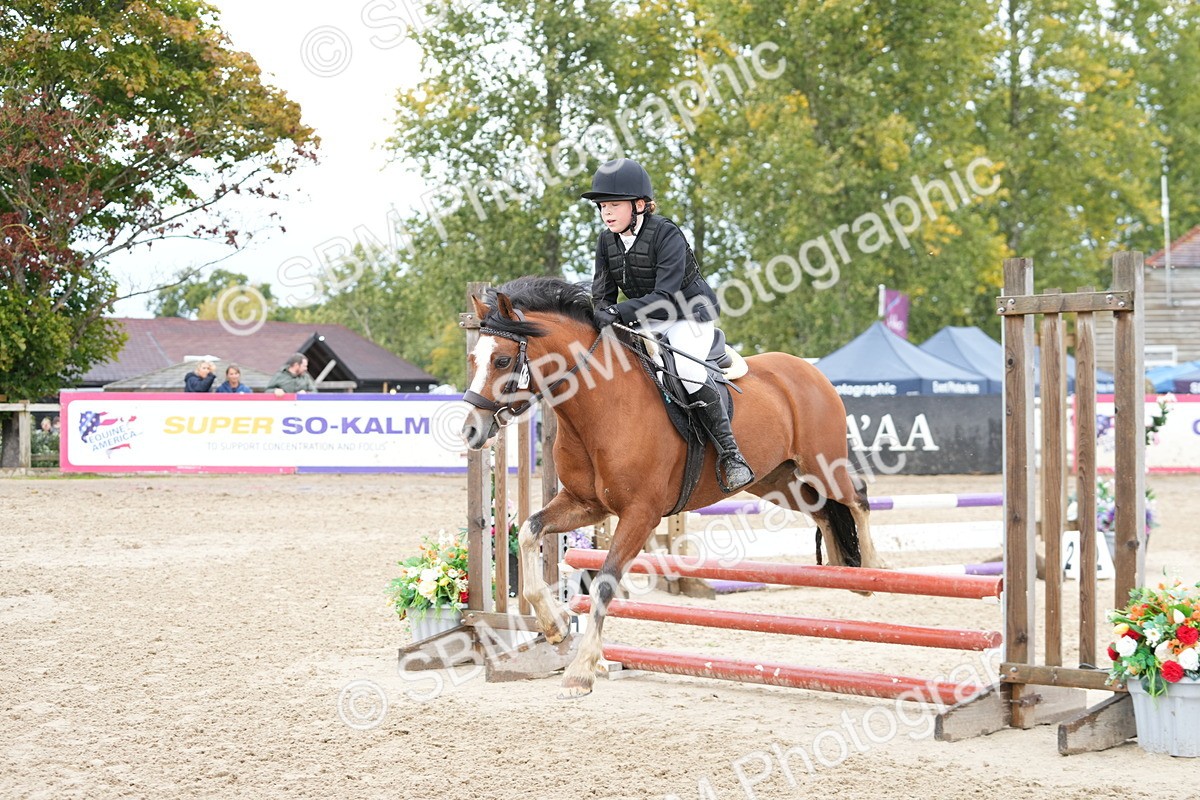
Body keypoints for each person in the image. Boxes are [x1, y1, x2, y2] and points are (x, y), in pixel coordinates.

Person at [584, 157, 754, 493]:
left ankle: (731, 455)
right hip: (645, 320)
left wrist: (619, 313)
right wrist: (600, 311)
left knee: (687, 373)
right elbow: (602, 291)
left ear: (639, 205)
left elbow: (666, 295)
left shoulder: (666, 233)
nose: (606, 213)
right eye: (603, 206)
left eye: (614, 205)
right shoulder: (606, 242)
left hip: (689, 315)